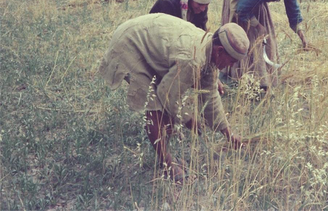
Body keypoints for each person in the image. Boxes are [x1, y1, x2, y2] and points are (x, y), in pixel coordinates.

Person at [99, 14, 250, 183]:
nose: (231, 67)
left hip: (147, 40)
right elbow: (168, 95)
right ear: (219, 50)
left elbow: (210, 94)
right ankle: (167, 164)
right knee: (155, 105)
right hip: (130, 45)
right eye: (231, 61)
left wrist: (228, 133)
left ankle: (166, 153)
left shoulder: (208, 51)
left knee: (165, 107)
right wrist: (188, 119)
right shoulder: (192, 59)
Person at [221, 0, 308, 91]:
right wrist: (257, 25)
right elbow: (241, 9)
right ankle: (236, 78)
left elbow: (293, 11)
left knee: (263, 39)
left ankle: (260, 79)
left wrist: (301, 34)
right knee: (245, 38)